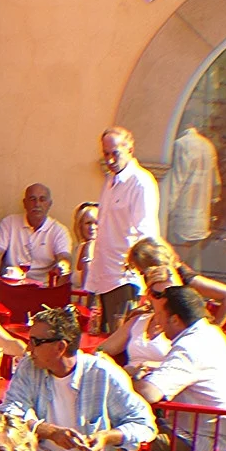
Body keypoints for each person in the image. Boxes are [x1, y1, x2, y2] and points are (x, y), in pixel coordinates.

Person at [0, 306, 155, 451]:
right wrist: (48, 432)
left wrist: (106, 437)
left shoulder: (103, 373)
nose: (28, 348)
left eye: (35, 342)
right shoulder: (29, 366)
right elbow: (8, 412)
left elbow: (144, 425)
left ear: (60, 347)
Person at [133, 286, 226, 451]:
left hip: (200, 442)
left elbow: (149, 393)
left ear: (176, 320)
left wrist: (122, 381)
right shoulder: (209, 333)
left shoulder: (190, 347)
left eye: (160, 316)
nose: (157, 322)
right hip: (210, 432)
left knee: (123, 437)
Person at [87, 127, 160, 334]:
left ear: (130, 149)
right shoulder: (110, 181)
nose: (110, 160)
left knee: (120, 340)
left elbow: (145, 233)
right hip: (104, 274)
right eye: (106, 154)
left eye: (115, 153)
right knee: (102, 337)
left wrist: (144, 274)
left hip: (124, 277)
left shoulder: (140, 183)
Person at [126, 237, 226, 325]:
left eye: (142, 270)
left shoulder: (185, 277)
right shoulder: (151, 278)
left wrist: (214, 327)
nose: (143, 275)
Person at [96, 264, 175, 378]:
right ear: (149, 295)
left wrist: (147, 366)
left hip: (160, 384)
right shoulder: (138, 321)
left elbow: (189, 367)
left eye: (170, 295)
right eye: (158, 295)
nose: (164, 301)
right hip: (128, 382)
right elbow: (101, 350)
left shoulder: (182, 326)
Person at [0, 183, 73, 284]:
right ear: (24, 203)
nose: (37, 204)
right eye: (32, 199)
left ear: (49, 204)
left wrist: (62, 265)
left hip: (42, 289)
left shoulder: (59, 231)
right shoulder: (9, 223)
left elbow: (64, 257)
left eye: (42, 199)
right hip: (11, 285)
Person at [162, 124, 220, 268]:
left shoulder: (181, 144)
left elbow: (176, 182)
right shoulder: (208, 146)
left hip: (181, 218)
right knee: (193, 267)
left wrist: (164, 213)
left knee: (175, 266)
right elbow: (216, 184)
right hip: (201, 219)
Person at [70, 202, 98, 292]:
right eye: (88, 223)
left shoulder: (98, 250)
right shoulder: (80, 247)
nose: (92, 227)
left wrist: (88, 252)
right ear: (80, 225)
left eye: (97, 223)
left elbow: (87, 285)